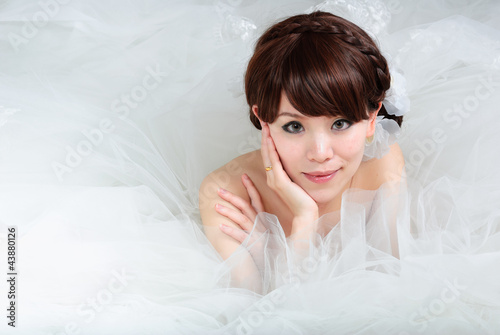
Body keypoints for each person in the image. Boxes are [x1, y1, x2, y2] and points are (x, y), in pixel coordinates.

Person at [200, 11, 405, 265]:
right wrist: (302, 224)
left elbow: (390, 290)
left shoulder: (380, 168)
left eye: (340, 124)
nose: (320, 153)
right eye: (295, 126)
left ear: (372, 118)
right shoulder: (227, 193)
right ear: (263, 119)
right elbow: (245, 302)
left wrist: (293, 236)